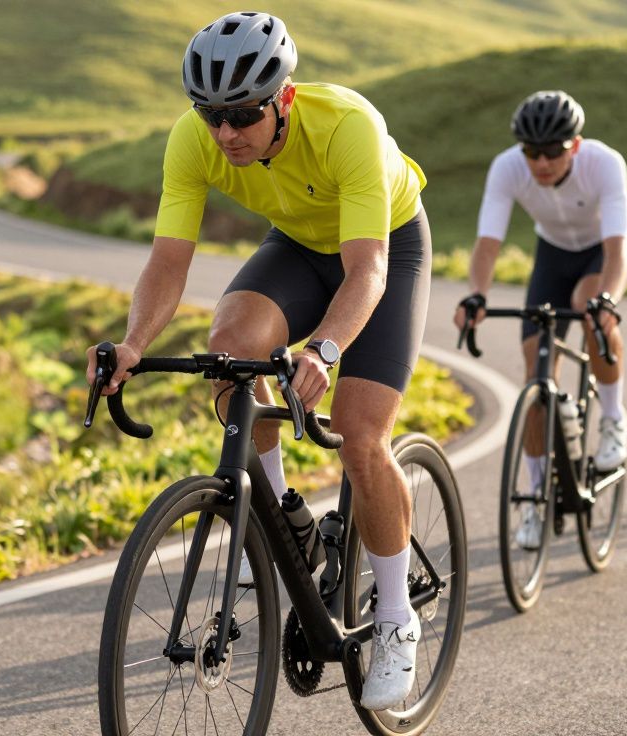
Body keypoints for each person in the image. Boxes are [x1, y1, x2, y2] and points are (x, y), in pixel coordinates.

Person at [84, 11, 431, 711]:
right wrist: (134, 344)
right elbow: (167, 261)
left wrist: (324, 350)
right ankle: (286, 523)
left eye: (242, 113)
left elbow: (366, 272)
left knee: (361, 437)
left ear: (285, 99)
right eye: (211, 114)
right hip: (300, 245)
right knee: (230, 354)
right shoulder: (194, 142)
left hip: (382, 245)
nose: (226, 133)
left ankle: (395, 619)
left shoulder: (348, 127)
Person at [453, 90, 627, 549]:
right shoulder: (507, 168)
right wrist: (477, 294)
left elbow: (618, 250)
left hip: (602, 252)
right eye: (532, 152)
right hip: (552, 255)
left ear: (574, 145)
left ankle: (614, 417)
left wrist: (608, 300)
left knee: (591, 308)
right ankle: (534, 497)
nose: (541, 163)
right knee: (536, 374)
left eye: (553, 151)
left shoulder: (605, 163)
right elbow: (488, 245)